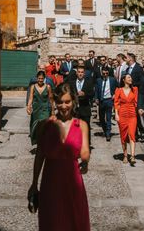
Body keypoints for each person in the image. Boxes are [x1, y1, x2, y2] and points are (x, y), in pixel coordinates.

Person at [29, 83, 90, 230]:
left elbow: (85, 152)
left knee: (74, 220)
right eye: (60, 102)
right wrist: (34, 184)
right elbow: (39, 156)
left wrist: (86, 162)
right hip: (51, 182)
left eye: (67, 102)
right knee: (52, 221)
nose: (63, 106)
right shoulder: (45, 125)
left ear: (74, 101)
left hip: (73, 182)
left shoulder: (81, 125)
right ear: (55, 102)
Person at [114, 73, 138, 165]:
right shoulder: (119, 90)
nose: (130, 79)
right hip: (122, 114)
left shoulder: (135, 89)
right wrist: (116, 114)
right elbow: (116, 103)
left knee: (132, 134)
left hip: (132, 115)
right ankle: (125, 155)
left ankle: (132, 156)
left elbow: (136, 101)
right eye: (128, 77)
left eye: (131, 77)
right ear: (123, 80)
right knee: (123, 136)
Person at [27, 71, 54, 146]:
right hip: (36, 110)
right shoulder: (33, 87)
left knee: (45, 126)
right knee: (35, 127)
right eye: (39, 78)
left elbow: (51, 99)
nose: (40, 80)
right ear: (37, 78)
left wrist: (52, 111)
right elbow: (30, 98)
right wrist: (28, 107)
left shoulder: (48, 87)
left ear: (44, 78)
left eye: (42, 79)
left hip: (45, 109)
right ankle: (39, 143)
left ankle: (44, 143)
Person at [70, 65, 94, 144]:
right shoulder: (72, 83)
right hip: (75, 110)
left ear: (84, 74)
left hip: (85, 108)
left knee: (85, 128)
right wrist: (76, 95)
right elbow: (69, 94)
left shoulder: (88, 83)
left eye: (82, 72)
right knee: (75, 128)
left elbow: (92, 94)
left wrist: (85, 94)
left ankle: (86, 145)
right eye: (79, 72)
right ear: (76, 73)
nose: (80, 74)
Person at [95, 66, 118, 141]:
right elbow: (96, 90)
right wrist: (96, 98)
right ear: (101, 73)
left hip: (109, 100)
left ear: (108, 73)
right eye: (103, 73)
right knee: (101, 118)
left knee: (108, 117)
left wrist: (115, 94)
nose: (105, 74)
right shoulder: (98, 80)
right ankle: (105, 130)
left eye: (106, 73)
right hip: (101, 100)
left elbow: (118, 88)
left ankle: (108, 133)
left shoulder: (112, 80)